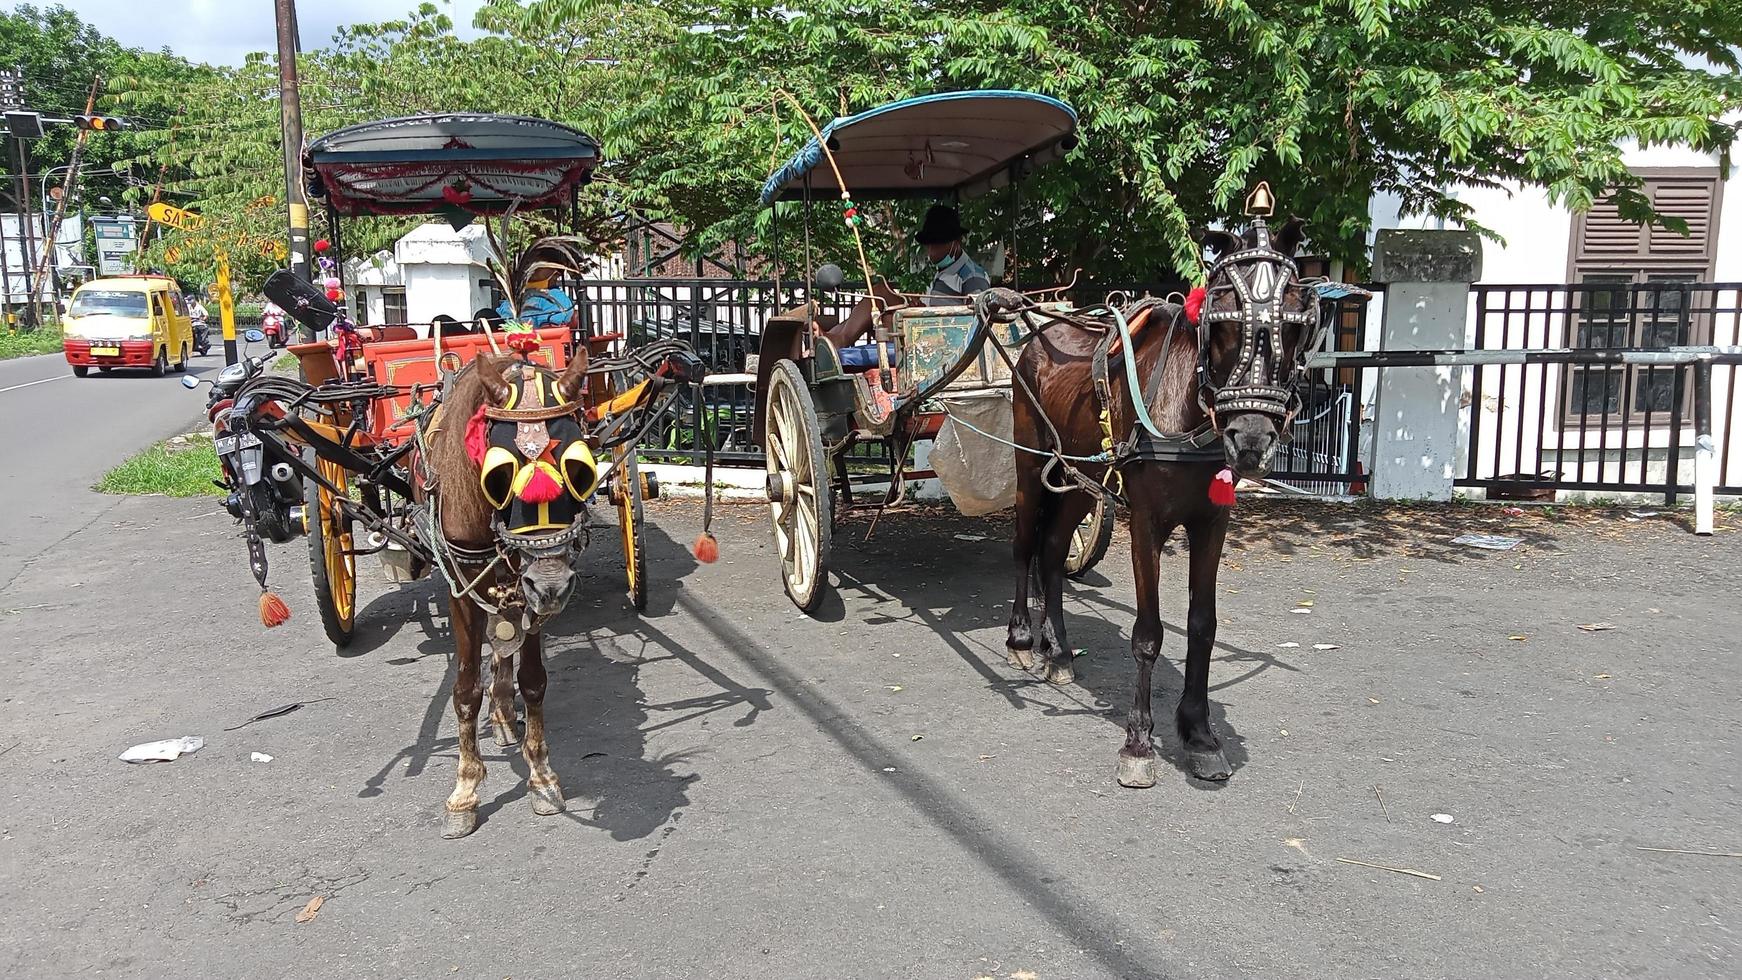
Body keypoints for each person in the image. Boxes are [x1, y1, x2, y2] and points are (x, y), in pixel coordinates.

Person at [821, 205, 990, 366]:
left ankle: (841, 339)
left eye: (937, 244)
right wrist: (920, 305)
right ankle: (832, 337)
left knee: (881, 293)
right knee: (881, 310)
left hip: (941, 342)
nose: (931, 251)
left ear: (955, 242)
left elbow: (975, 322)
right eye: (929, 244)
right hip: (925, 328)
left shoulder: (972, 276)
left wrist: (926, 313)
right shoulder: (943, 270)